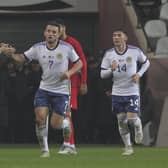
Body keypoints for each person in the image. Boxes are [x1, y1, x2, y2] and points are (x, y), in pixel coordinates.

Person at [5, 21, 83, 157]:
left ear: (59, 35)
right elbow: (22, 58)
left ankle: (66, 128)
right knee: (40, 119)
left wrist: (69, 73)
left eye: (54, 32)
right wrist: (11, 54)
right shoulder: (38, 48)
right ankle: (45, 150)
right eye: (49, 31)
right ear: (44, 32)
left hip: (62, 91)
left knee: (55, 124)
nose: (51, 34)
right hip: (44, 89)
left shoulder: (67, 47)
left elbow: (79, 63)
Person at [100, 30, 150, 155]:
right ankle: (128, 147)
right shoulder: (109, 54)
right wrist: (111, 69)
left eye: (119, 35)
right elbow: (102, 74)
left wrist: (139, 74)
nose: (116, 37)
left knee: (132, 119)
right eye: (114, 35)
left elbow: (146, 63)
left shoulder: (135, 51)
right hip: (117, 92)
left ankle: (138, 128)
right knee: (121, 120)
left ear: (125, 38)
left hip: (132, 91)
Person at [55, 19, 88, 154]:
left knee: (66, 113)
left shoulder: (73, 43)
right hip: (56, 83)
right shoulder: (54, 44)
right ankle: (69, 143)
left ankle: (69, 144)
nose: (57, 31)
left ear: (64, 28)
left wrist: (83, 82)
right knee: (61, 114)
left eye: (59, 28)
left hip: (71, 82)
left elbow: (83, 62)